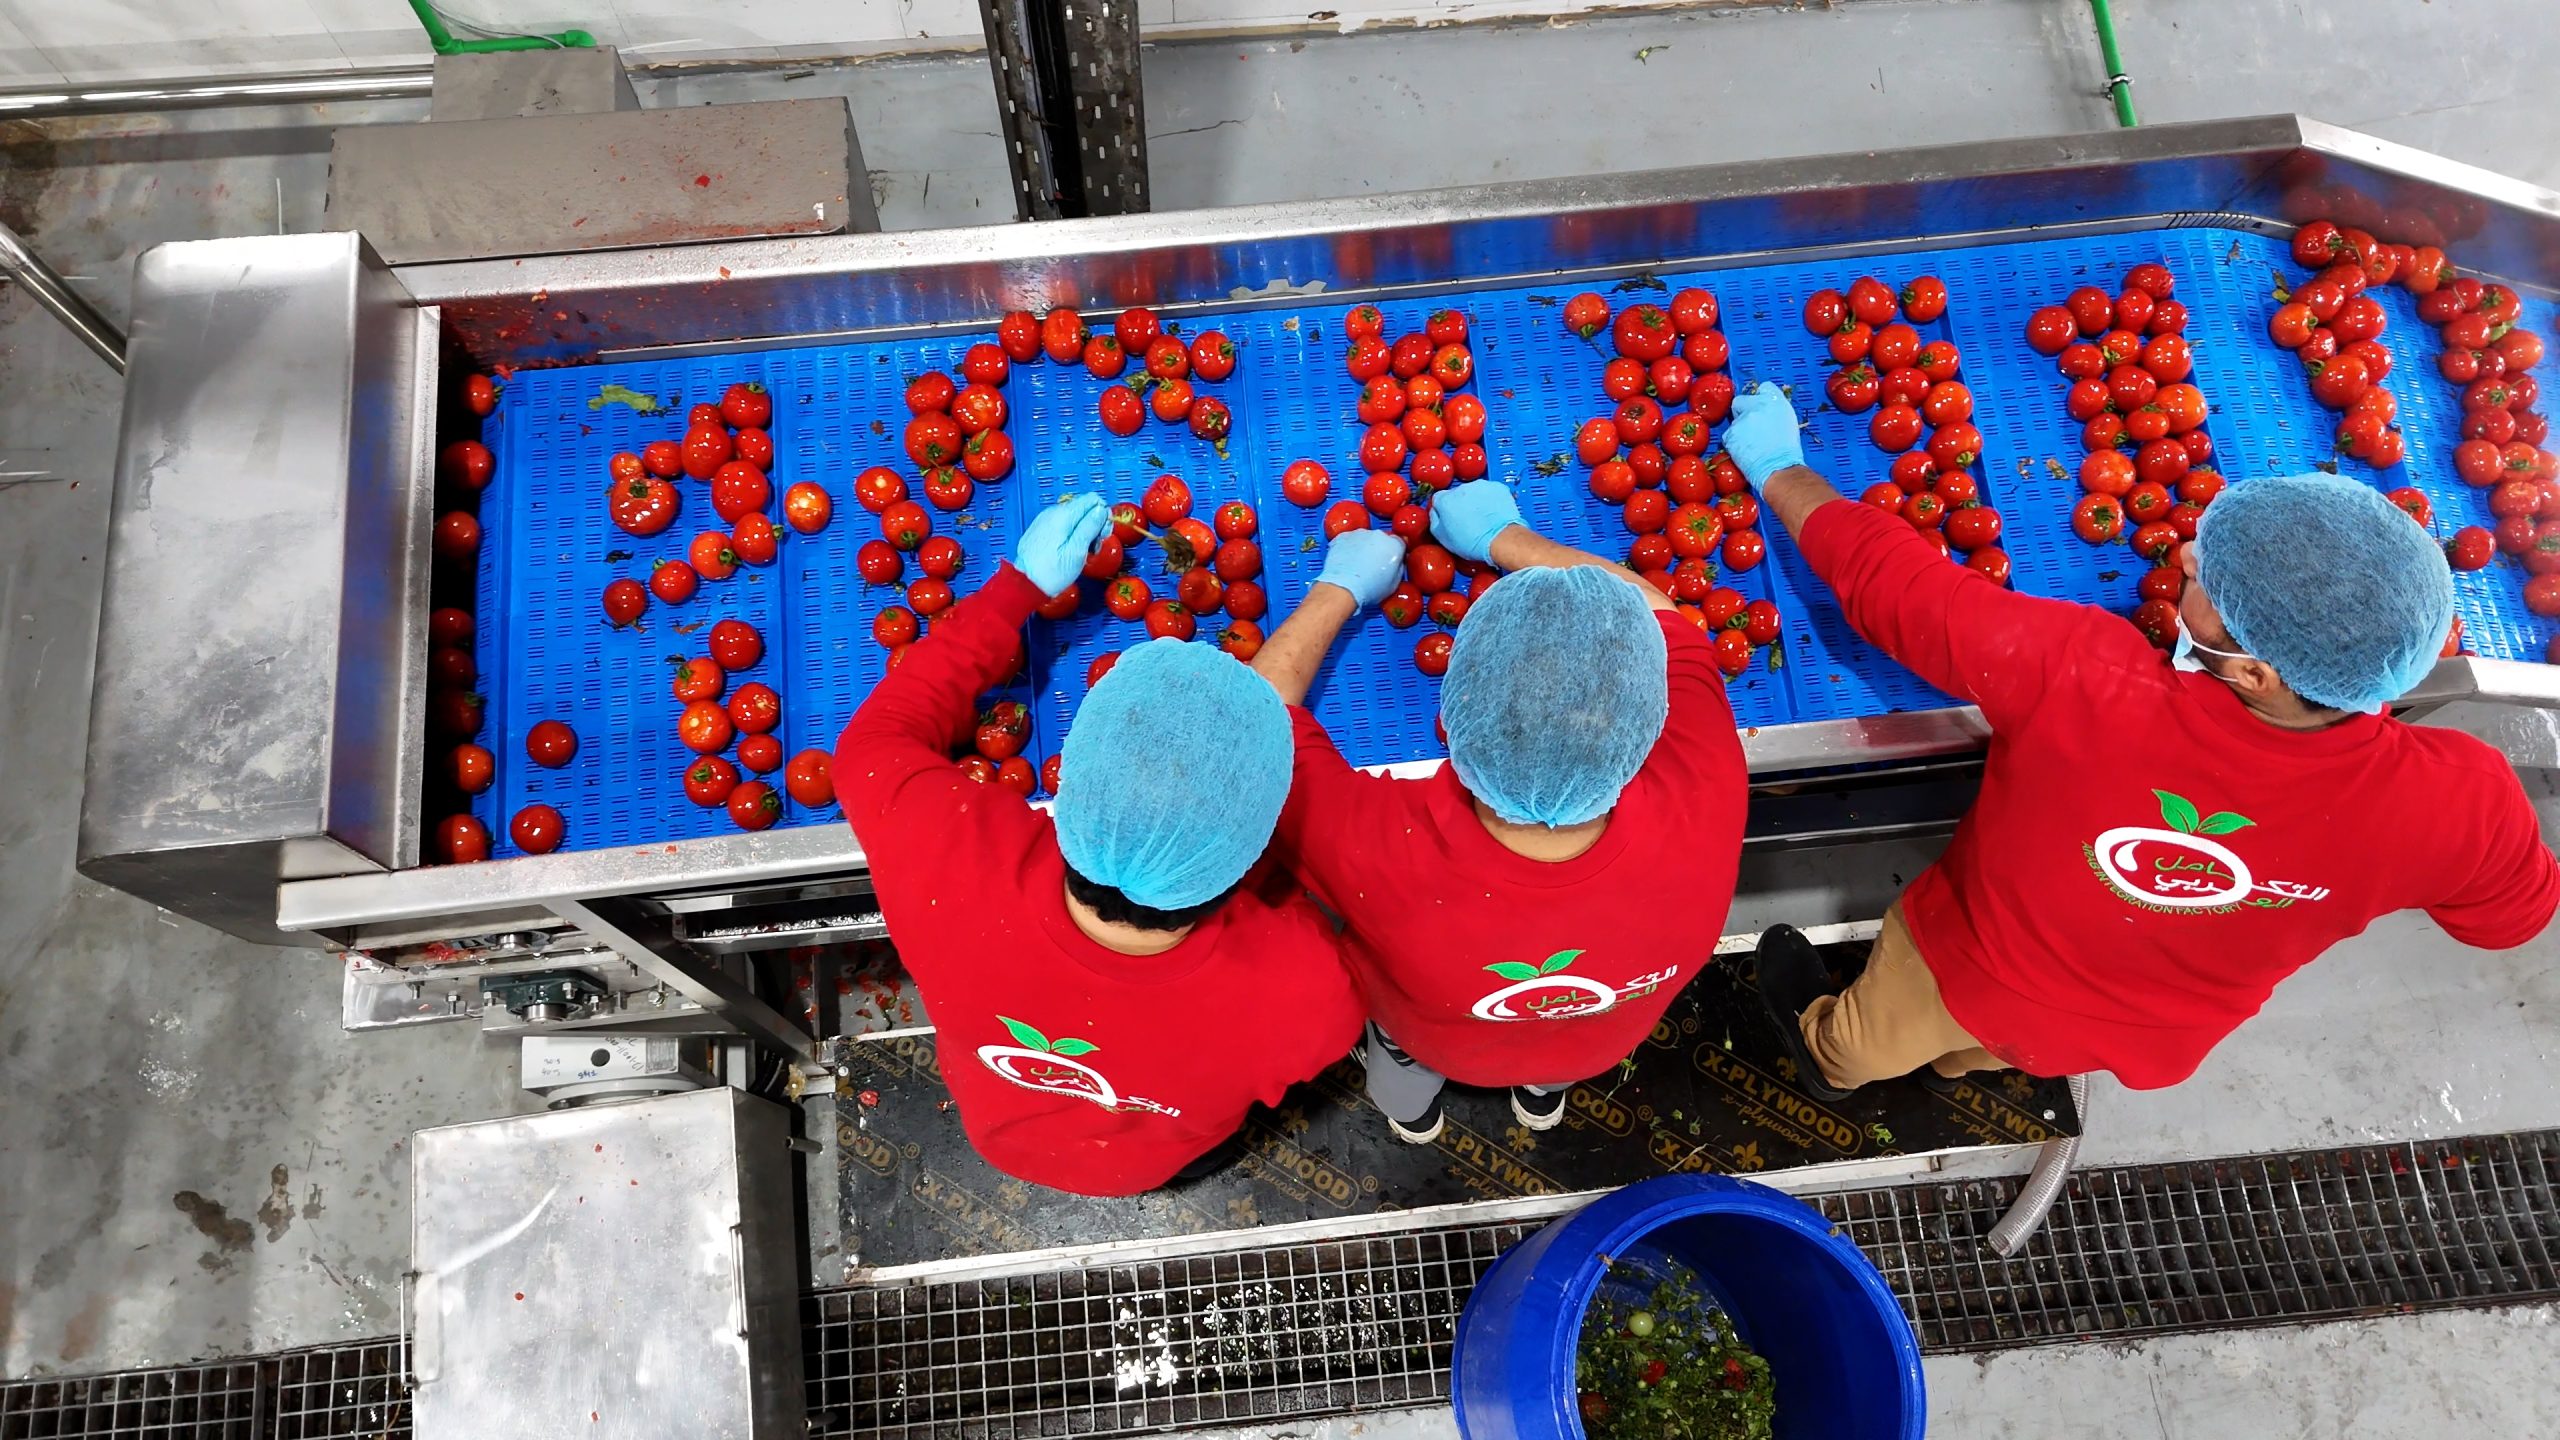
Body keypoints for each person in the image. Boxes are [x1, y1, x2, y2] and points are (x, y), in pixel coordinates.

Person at [1717, 382, 2560, 1099]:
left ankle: (1830, 1060)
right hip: (2140, 1036)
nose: (2186, 554)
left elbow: (1897, 589)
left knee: (1882, 1032)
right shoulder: (2463, 800)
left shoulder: (2091, 678)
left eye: (2208, 585)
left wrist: (1779, 467)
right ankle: (1958, 1070)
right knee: (1996, 1052)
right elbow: (2513, 922)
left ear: (2256, 672)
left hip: (1970, 966)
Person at [833, 493, 1363, 1196]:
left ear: (1074, 787)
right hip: (1163, 1150)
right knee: (1195, 1153)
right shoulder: (1308, 994)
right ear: (1249, 856)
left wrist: (1017, 588)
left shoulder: (946, 862)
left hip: (1001, 1129)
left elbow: (871, 745)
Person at [1250, 488, 1748, 1141]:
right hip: (1596, 1043)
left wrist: (1339, 587)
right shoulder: (1708, 790)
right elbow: (1655, 611)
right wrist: (1505, 538)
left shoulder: (1374, 844)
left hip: (1428, 1035)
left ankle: (1413, 1115)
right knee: (1557, 1064)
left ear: (1455, 719)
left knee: (1402, 1065)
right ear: (1646, 726)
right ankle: (1542, 1097)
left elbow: (1255, 716)